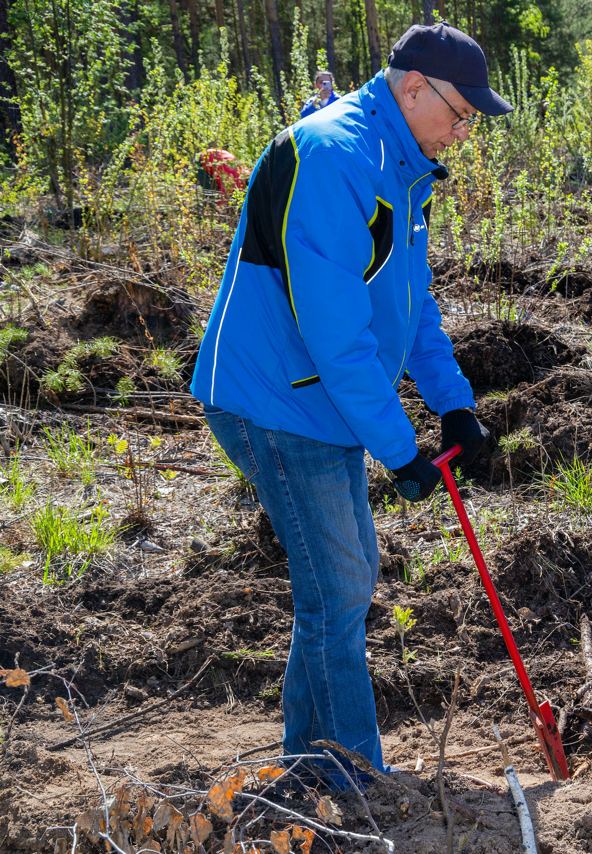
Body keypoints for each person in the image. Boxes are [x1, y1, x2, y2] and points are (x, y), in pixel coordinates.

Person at [189, 23, 512, 789]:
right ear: (412, 88)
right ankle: (350, 778)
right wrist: (400, 449)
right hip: (274, 399)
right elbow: (336, 336)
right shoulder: (335, 157)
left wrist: (454, 405)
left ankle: (310, 758)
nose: (464, 132)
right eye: (460, 114)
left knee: (345, 578)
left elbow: (413, 306)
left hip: (320, 401)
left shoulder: (404, 169)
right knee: (339, 586)